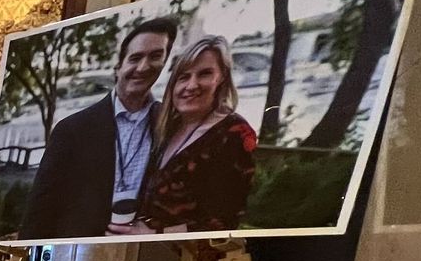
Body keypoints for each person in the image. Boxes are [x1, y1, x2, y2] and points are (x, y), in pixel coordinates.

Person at [17, 17, 176, 239]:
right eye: (135, 58)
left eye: (155, 56)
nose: (143, 67)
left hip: (145, 257)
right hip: (77, 259)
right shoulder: (72, 130)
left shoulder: (172, 123)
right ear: (118, 67)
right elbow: (40, 211)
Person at [126, 35, 257, 234]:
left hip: (187, 256)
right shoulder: (166, 125)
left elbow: (224, 220)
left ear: (221, 78)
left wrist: (155, 235)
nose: (192, 85)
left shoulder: (234, 133)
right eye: (184, 77)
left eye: (204, 74)